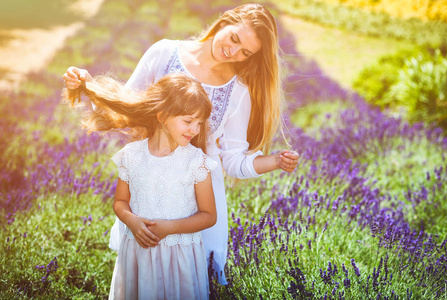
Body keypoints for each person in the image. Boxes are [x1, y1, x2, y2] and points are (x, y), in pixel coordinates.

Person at [63, 3, 299, 284]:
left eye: (245, 52)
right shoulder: (164, 52)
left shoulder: (238, 92)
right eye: (234, 39)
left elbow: (233, 161)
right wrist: (90, 87)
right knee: (142, 273)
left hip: (196, 202)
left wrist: (273, 161)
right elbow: (129, 108)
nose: (233, 52)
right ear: (225, 21)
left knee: (185, 277)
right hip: (150, 187)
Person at [64, 72, 217, 299]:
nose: (194, 130)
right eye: (188, 121)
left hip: (179, 256)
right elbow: (120, 202)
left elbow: (209, 215)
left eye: (198, 123)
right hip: (138, 253)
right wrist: (132, 221)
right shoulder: (132, 155)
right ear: (163, 115)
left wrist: (168, 228)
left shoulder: (196, 162)